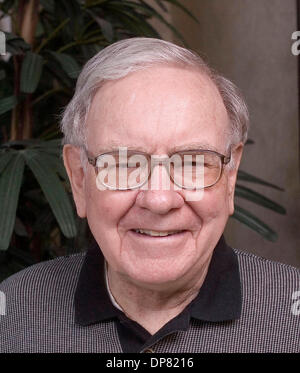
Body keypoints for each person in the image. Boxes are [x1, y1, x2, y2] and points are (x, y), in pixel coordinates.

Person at [0, 37, 299, 353]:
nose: (159, 200)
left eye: (193, 161)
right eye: (124, 163)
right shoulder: (14, 316)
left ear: (230, 177)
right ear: (78, 178)